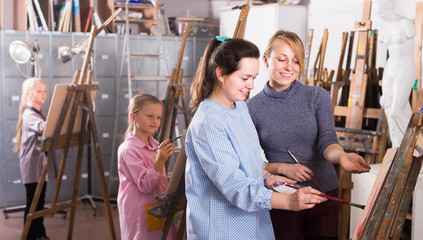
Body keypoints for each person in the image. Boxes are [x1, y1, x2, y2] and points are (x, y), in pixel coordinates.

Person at [185, 37, 325, 240]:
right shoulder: (208, 123)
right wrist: (289, 202)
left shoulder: (239, 106)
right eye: (244, 78)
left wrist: (268, 178)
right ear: (221, 74)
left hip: (252, 224)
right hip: (221, 229)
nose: (251, 85)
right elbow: (234, 186)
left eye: (254, 78)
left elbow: (248, 161)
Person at [247, 30, 371, 240]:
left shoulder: (317, 97)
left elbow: (327, 142)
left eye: (296, 61)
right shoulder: (252, 107)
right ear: (266, 59)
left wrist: (342, 157)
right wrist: (282, 168)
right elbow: (248, 161)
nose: (289, 67)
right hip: (284, 197)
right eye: (282, 59)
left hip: (324, 194)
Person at [117, 93, 177, 240]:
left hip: (156, 204)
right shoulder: (128, 149)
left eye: (158, 117)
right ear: (133, 117)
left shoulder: (155, 145)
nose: (155, 121)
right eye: (150, 116)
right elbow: (145, 185)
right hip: (139, 209)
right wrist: (160, 160)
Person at [375, 0, 416, 148]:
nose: (379, 13)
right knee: (387, 107)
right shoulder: (385, 28)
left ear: (388, 6)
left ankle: (415, 143)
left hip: (404, 68)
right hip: (390, 69)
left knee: (397, 110)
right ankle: (397, 150)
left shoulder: (406, 24)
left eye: (380, 9)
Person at [14, 78, 51, 240]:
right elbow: (43, 128)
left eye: (45, 91)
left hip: (39, 164)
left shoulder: (39, 112)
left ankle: (40, 233)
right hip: (32, 165)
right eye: (39, 91)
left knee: (40, 202)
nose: (43, 94)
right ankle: (30, 235)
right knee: (33, 202)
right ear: (29, 94)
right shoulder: (29, 114)